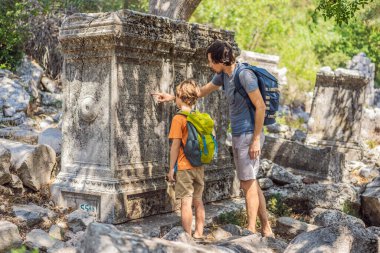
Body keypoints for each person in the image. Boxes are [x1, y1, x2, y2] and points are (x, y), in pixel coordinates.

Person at [152, 40, 273, 237]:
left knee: (247, 182)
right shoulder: (223, 76)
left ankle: (251, 231)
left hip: (249, 134)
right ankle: (266, 227)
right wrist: (173, 97)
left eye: (210, 61)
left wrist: (256, 139)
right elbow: (198, 93)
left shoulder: (244, 75)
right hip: (238, 134)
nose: (209, 65)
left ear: (220, 60)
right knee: (250, 180)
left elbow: (260, 106)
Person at [167, 79, 205, 239]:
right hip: (199, 166)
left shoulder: (179, 118)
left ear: (180, 97)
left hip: (184, 166)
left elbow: (175, 146)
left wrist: (171, 169)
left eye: (175, 96)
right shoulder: (199, 117)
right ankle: (199, 233)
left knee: (186, 202)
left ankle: (187, 237)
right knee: (198, 200)